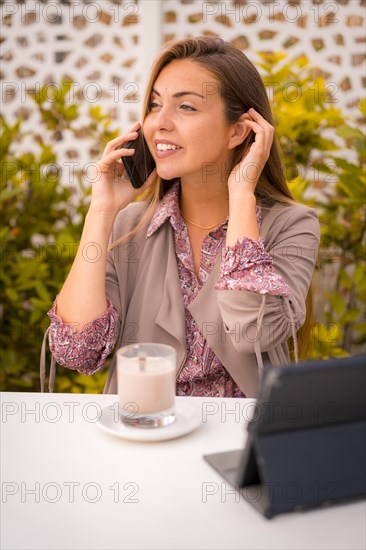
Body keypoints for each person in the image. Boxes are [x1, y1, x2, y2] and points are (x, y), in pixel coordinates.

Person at [40, 36, 320, 397]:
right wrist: (102, 212)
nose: (160, 123)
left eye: (186, 107)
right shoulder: (129, 225)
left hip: (243, 439)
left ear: (238, 130)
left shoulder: (292, 225)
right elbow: (77, 351)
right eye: (155, 105)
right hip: (143, 433)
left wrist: (241, 197)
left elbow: (255, 331)